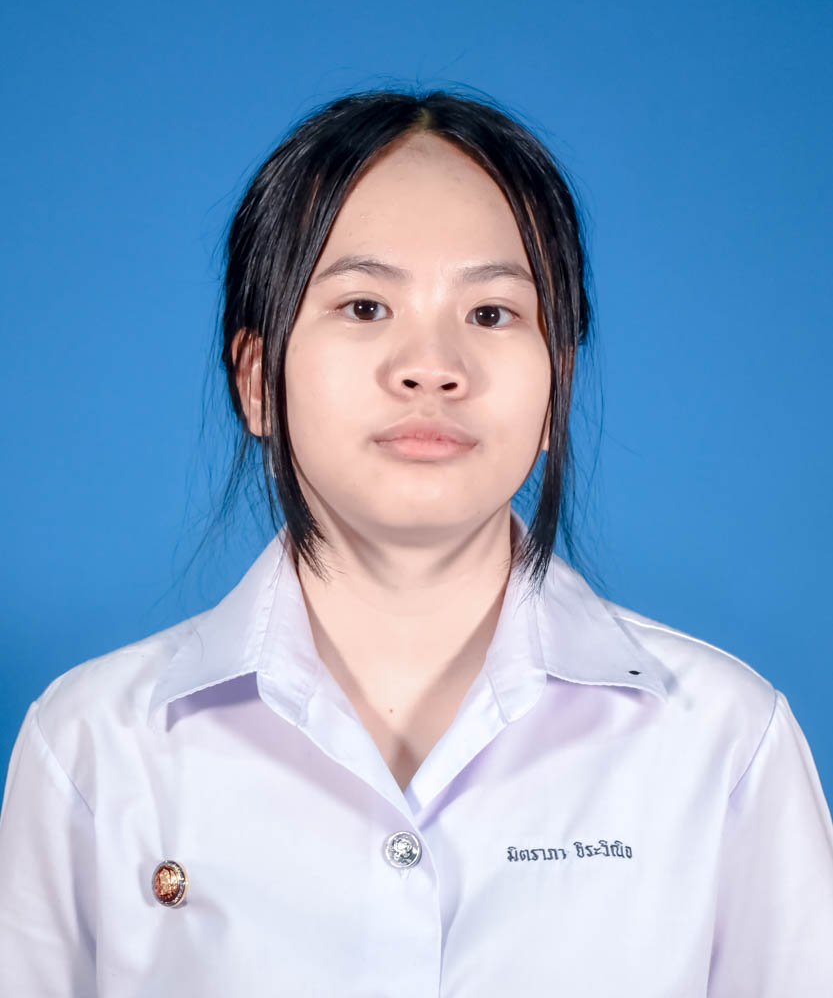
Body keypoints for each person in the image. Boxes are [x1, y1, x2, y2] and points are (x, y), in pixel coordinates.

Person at [1, 88, 831, 997]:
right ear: (256, 379)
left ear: (556, 385)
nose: (431, 366)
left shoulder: (722, 741)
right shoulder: (93, 745)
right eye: (364, 307)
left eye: (491, 314)